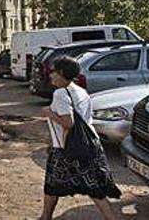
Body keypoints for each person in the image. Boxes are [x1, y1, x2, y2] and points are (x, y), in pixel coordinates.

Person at [41, 56, 120, 220]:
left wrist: (49, 113)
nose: (50, 75)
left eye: (53, 71)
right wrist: (52, 142)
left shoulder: (61, 93)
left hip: (67, 149)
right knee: (93, 187)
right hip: (87, 146)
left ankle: (45, 217)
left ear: (61, 72)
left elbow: (68, 123)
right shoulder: (80, 91)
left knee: (53, 184)